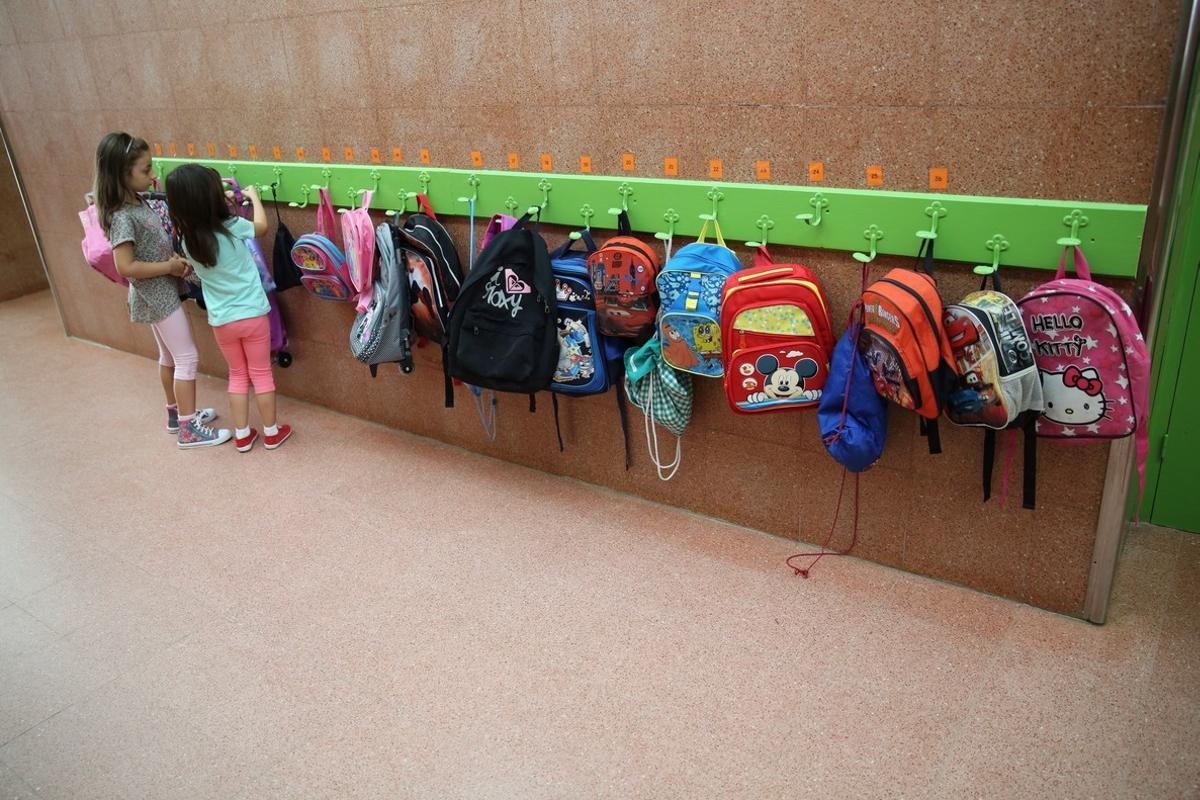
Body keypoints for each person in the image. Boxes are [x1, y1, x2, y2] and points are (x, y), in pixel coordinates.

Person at [94, 132, 230, 448]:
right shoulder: (122, 217)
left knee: (169, 356)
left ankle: (177, 413)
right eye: (145, 170)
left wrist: (171, 262)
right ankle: (187, 429)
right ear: (122, 175)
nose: (153, 175)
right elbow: (126, 266)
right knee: (187, 357)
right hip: (157, 296)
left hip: (159, 291)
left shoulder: (137, 202)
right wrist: (168, 267)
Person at [166, 164, 292, 453]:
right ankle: (272, 433)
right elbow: (261, 227)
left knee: (237, 375)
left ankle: (243, 435)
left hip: (222, 321)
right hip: (252, 315)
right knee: (261, 373)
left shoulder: (187, 239)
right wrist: (254, 197)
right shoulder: (232, 226)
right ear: (210, 198)